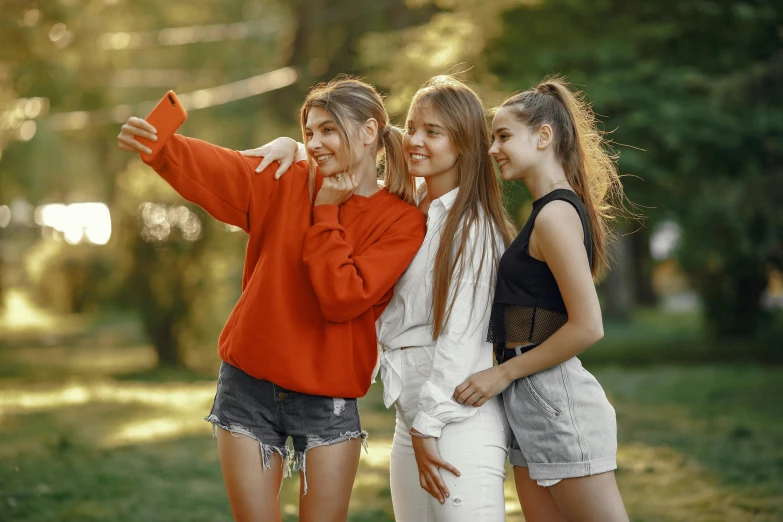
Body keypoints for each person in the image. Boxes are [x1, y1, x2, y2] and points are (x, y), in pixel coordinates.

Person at [116, 77, 426, 522]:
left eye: (328, 130)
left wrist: (325, 212)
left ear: (369, 131)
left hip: (327, 398)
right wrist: (161, 147)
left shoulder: (402, 221)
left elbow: (342, 297)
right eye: (309, 132)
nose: (315, 143)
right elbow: (226, 170)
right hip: (248, 385)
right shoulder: (288, 178)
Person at [249, 76, 517, 521]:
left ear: (465, 144)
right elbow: (346, 159)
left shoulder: (472, 227)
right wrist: (295, 148)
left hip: (454, 420)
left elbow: (462, 337)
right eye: (412, 127)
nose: (415, 141)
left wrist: (428, 429)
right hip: (411, 419)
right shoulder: (411, 210)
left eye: (434, 132)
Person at [453, 77, 630, 522]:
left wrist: (502, 374)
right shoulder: (547, 212)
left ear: (543, 136)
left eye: (504, 136)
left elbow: (588, 325)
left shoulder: (554, 215)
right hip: (529, 400)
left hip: (551, 396)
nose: (493, 149)